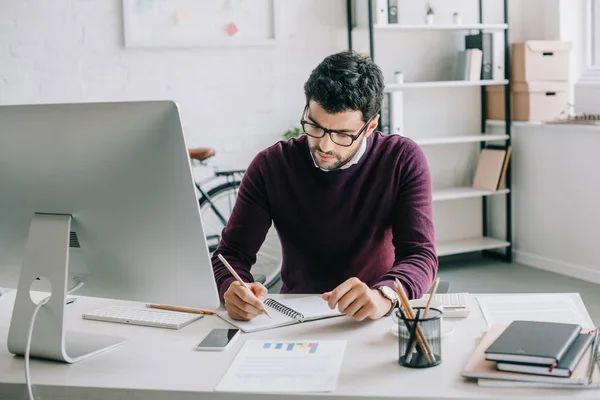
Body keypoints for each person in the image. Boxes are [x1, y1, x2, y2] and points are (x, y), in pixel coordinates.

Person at [212, 50, 438, 322]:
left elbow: (420, 255)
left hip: (376, 313)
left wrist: (384, 295)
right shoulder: (270, 166)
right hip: (295, 315)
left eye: (343, 134)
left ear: (370, 126)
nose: (325, 146)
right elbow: (230, 254)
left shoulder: (401, 159)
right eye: (315, 127)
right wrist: (231, 288)